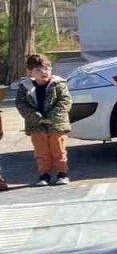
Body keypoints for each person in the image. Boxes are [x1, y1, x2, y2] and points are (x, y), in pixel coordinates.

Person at [14, 54, 73, 186]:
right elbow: (21, 104)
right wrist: (37, 117)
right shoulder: (25, 87)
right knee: (41, 152)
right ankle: (44, 175)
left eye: (46, 68)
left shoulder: (58, 84)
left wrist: (51, 117)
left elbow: (65, 101)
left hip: (56, 124)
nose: (44, 72)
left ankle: (62, 174)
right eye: (38, 70)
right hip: (36, 125)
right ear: (30, 72)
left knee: (58, 150)